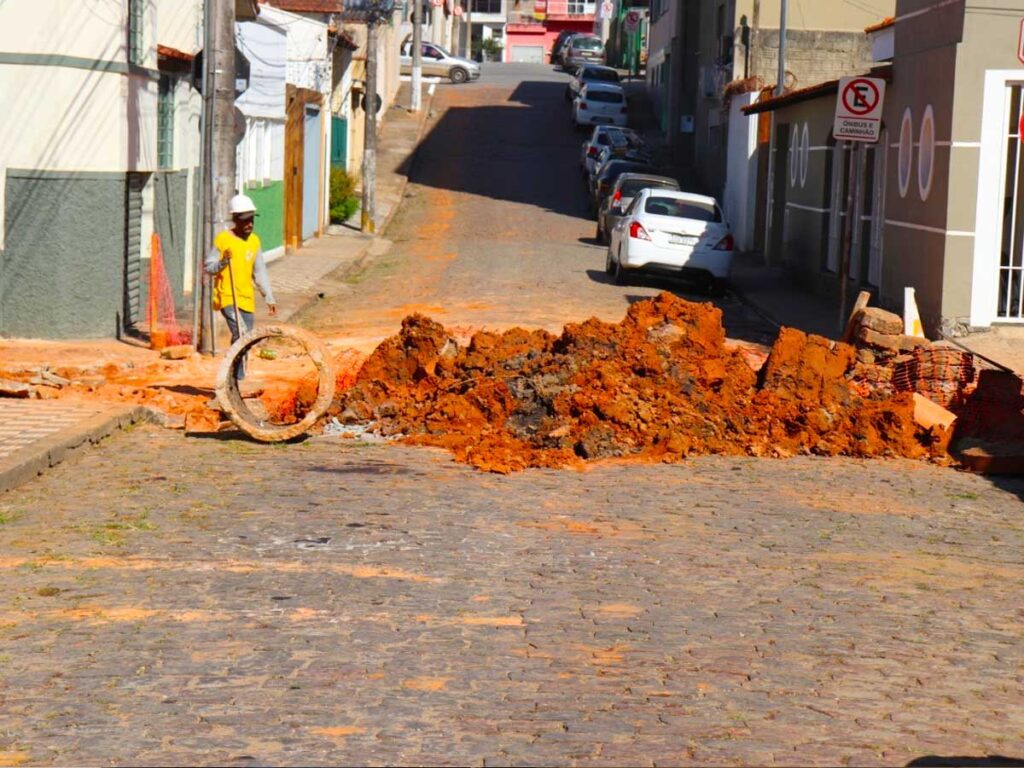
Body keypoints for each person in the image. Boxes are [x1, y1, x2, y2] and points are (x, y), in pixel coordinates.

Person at [204, 194, 277, 379]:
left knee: (245, 340)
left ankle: (235, 375)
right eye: (245, 221)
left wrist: (268, 296)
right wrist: (222, 262)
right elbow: (208, 267)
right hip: (227, 296)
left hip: (246, 298)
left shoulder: (254, 241)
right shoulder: (223, 240)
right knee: (242, 334)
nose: (249, 224)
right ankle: (236, 378)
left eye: (251, 220)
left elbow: (259, 271)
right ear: (235, 220)